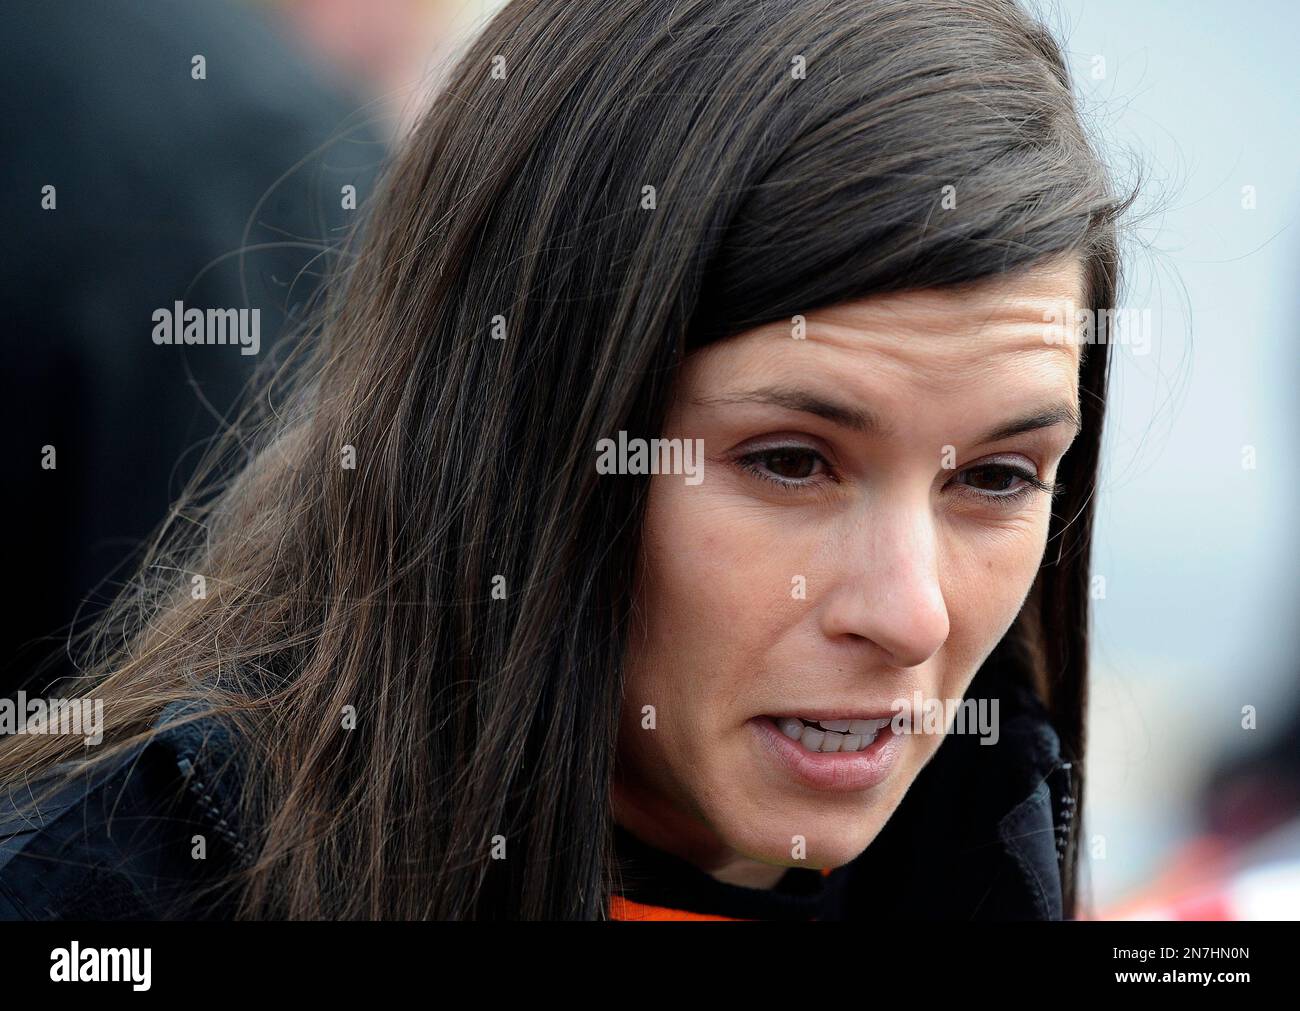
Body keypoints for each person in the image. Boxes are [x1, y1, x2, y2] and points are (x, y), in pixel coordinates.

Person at [0, 0, 1130, 921]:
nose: (911, 615)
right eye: (789, 463)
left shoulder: (989, 851)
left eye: (996, 477)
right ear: (522, 431)